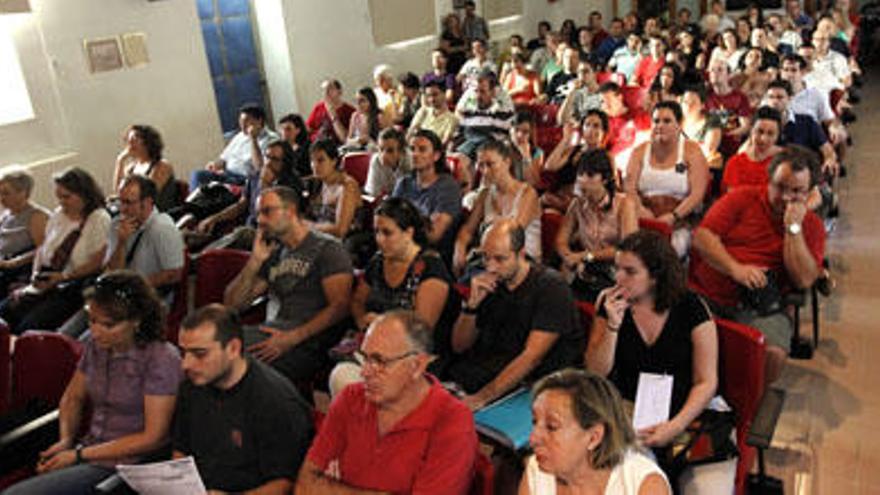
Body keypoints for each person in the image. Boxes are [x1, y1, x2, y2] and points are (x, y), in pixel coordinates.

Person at [2, 271, 180, 495]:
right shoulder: (97, 347)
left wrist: (78, 455)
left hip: (126, 465)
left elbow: (154, 437)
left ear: (136, 321)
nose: (95, 332)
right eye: (91, 320)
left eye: (107, 325)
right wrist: (66, 439)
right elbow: (73, 397)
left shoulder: (161, 358)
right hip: (89, 450)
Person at [586, 231, 734, 493]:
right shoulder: (609, 304)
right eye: (617, 268)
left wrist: (675, 425)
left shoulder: (691, 308)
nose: (618, 278)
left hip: (689, 411)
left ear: (655, 276)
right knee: (629, 485)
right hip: (632, 412)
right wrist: (612, 326)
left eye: (630, 272)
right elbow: (596, 372)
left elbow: (706, 381)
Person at [297, 310, 478, 494]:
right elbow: (305, 485)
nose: (364, 372)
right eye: (365, 358)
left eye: (380, 361)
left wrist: (333, 489)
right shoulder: (351, 397)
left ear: (417, 366)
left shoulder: (452, 422)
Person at [690, 145, 825, 384]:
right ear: (769, 180)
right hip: (710, 293)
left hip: (760, 306)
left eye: (796, 191)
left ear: (810, 192)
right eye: (780, 187)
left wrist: (792, 229)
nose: (785, 197)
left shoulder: (811, 226)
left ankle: (753, 405)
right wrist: (736, 269)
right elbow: (703, 237)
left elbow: (804, 279)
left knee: (773, 352)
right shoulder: (742, 198)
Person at [174, 304, 314, 494]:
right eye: (183, 353)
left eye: (200, 354)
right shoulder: (194, 383)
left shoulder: (275, 401)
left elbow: (284, 484)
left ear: (233, 348)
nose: (186, 364)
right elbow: (181, 450)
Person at [447, 220, 585, 410]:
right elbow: (459, 346)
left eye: (500, 259)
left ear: (520, 254)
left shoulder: (551, 287)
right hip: (488, 373)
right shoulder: (487, 282)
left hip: (533, 386)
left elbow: (530, 358)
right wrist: (471, 307)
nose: (491, 267)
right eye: (485, 258)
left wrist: (482, 398)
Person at [224, 185, 353, 385]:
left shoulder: (327, 248)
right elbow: (233, 304)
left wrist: (293, 338)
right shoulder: (274, 253)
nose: (260, 220)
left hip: (308, 343)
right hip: (273, 333)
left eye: (267, 212)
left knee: (222, 353)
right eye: (258, 214)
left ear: (291, 211)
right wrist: (255, 261)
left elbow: (340, 307)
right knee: (214, 340)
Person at [330, 198, 459, 395]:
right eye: (376, 232)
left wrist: (381, 325)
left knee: (349, 382)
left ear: (409, 232)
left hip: (412, 357)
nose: (379, 239)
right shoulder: (379, 261)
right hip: (378, 349)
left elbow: (421, 331)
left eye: (387, 233)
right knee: (342, 377)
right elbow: (357, 301)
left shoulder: (431, 270)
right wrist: (363, 322)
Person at [520, 368, 670, 495]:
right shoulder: (537, 471)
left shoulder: (643, 484)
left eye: (552, 427)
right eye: (535, 422)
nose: (533, 439)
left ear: (594, 438)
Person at [0, 167, 110, 334]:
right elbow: (43, 248)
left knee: (28, 327)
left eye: (67, 197)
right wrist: (36, 274)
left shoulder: (98, 219)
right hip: (47, 279)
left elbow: (98, 262)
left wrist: (63, 277)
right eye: (59, 197)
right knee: (5, 311)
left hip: (71, 285)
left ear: (84, 195)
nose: (61, 202)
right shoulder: (59, 215)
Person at [623, 101, 710, 256]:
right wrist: (641, 209)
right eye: (656, 121)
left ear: (679, 124)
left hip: (679, 221)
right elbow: (629, 188)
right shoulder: (639, 151)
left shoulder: (692, 151)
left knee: (668, 252)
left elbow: (698, 194)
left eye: (667, 121)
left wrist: (673, 216)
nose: (660, 125)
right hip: (642, 218)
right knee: (633, 251)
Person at [556, 150, 637, 301]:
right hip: (585, 268)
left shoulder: (624, 204)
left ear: (605, 179)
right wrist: (569, 257)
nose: (583, 180)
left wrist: (586, 256)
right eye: (580, 174)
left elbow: (627, 249)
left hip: (615, 271)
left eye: (591, 175)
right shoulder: (577, 204)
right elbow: (561, 240)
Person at [454, 140, 541, 275]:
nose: (485, 171)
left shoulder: (528, 193)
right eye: (481, 165)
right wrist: (459, 247)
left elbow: (512, 234)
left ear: (507, 162)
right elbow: (468, 229)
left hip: (523, 261)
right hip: (492, 259)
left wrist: (480, 250)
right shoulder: (485, 194)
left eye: (490, 164)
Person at [392, 130, 462, 262]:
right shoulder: (404, 183)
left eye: (422, 149)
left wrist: (405, 219)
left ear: (436, 156)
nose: (415, 154)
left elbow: (433, 235)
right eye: (412, 149)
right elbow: (390, 220)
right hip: (401, 246)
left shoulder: (448, 186)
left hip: (432, 254)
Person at [190, 104, 278, 190]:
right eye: (241, 121)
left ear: (259, 120)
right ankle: (192, 203)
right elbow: (224, 158)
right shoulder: (240, 136)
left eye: (246, 121)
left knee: (211, 191)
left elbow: (260, 169)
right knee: (198, 175)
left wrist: (253, 139)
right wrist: (215, 164)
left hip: (243, 180)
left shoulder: (271, 139)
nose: (242, 126)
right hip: (227, 175)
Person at [764, 79, 839, 177]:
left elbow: (828, 151)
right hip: (771, 175)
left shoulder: (807, 122)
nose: (774, 102)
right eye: (771, 97)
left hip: (804, 174)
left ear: (790, 99)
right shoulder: (761, 124)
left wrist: (829, 160)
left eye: (780, 97)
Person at [544, 109, 610, 213]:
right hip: (559, 197)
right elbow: (550, 166)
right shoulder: (573, 150)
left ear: (604, 132)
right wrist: (566, 139)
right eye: (587, 125)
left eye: (596, 126)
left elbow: (611, 188)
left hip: (582, 204)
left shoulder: (606, 157)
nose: (590, 130)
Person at [0, 167, 49, 299]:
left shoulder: (36, 216)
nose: (1, 198)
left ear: (23, 193)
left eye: (6, 193)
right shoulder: (6, 215)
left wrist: (14, 262)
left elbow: (43, 249)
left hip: (17, 270)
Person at [304, 139, 363, 240]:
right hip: (318, 237)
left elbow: (340, 230)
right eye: (312, 160)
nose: (315, 165)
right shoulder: (317, 182)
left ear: (334, 161)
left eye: (320, 160)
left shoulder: (347, 186)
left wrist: (307, 226)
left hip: (342, 244)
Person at [113, 125, 179, 212]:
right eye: (128, 140)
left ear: (147, 143)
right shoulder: (131, 168)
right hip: (134, 210)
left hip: (155, 212)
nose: (129, 144)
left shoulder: (162, 166)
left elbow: (148, 194)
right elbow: (119, 192)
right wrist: (120, 161)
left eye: (134, 140)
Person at [721, 106, 784, 192]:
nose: (763, 139)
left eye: (771, 134)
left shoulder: (785, 161)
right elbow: (731, 199)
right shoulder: (735, 163)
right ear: (751, 130)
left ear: (778, 136)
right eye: (760, 131)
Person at [455, 71, 515, 159]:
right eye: (476, 91)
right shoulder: (468, 110)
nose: (478, 96)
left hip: (492, 152)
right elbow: (460, 132)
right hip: (469, 149)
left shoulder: (503, 112)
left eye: (483, 92)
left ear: (492, 92)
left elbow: (506, 138)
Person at [705, 58, 752, 158]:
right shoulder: (705, 96)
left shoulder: (740, 97)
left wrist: (724, 134)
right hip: (708, 145)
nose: (715, 73)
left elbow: (745, 127)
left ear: (729, 75)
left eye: (720, 70)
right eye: (712, 70)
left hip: (730, 149)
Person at [681, 85, 723, 170]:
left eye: (693, 102)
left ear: (702, 105)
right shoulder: (676, 120)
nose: (688, 106)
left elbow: (709, 149)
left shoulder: (712, 121)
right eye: (685, 102)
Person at [408, 80, 459, 147]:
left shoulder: (452, 119)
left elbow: (444, 142)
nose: (432, 99)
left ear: (444, 94)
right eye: (429, 96)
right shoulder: (423, 111)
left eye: (435, 95)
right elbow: (410, 133)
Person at [305, 79, 356, 147]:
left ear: (339, 92)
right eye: (323, 90)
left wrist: (333, 115)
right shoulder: (318, 108)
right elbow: (308, 128)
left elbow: (345, 139)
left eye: (330, 89)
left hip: (337, 147)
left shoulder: (350, 111)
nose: (326, 93)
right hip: (317, 146)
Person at [366, 128, 412, 198]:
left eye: (390, 151)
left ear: (401, 152)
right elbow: (374, 194)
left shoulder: (411, 160)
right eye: (381, 149)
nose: (383, 155)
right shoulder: (376, 161)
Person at [556, 61, 602, 125]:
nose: (582, 75)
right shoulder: (576, 93)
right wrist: (571, 92)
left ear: (595, 73)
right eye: (579, 72)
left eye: (586, 71)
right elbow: (561, 120)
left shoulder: (604, 93)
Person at [510, 111, 545, 189]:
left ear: (531, 134)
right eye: (516, 130)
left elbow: (533, 183)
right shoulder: (502, 148)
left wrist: (526, 156)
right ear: (510, 130)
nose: (519, 135)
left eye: (525, 132)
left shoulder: (537, 152)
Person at [342, 87, 382, 153]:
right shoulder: (355, 116)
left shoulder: (379, 117)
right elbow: (348, 140)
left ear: (371, 101)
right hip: (357, 150)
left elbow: (387, 143)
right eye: (357, 101)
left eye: (362, 101)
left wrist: (368, 140)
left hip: (374, 151)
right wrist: (357, 140)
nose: (358, 104)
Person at [277, 113, 312, 179]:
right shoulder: (279, 149)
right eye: (281, 129)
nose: (284, 133)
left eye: (288, 129)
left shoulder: (308, 148)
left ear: (298, 130)